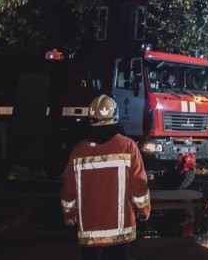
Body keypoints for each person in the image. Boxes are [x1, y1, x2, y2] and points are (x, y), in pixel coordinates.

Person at [60, 95, 151, 260]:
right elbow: (139, 183)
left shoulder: (79, 150)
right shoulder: (127, 146)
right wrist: (144, 209)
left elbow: (69, 187)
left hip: (90, 228)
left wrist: (68, 213)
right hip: (121, 230)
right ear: (115, 117)